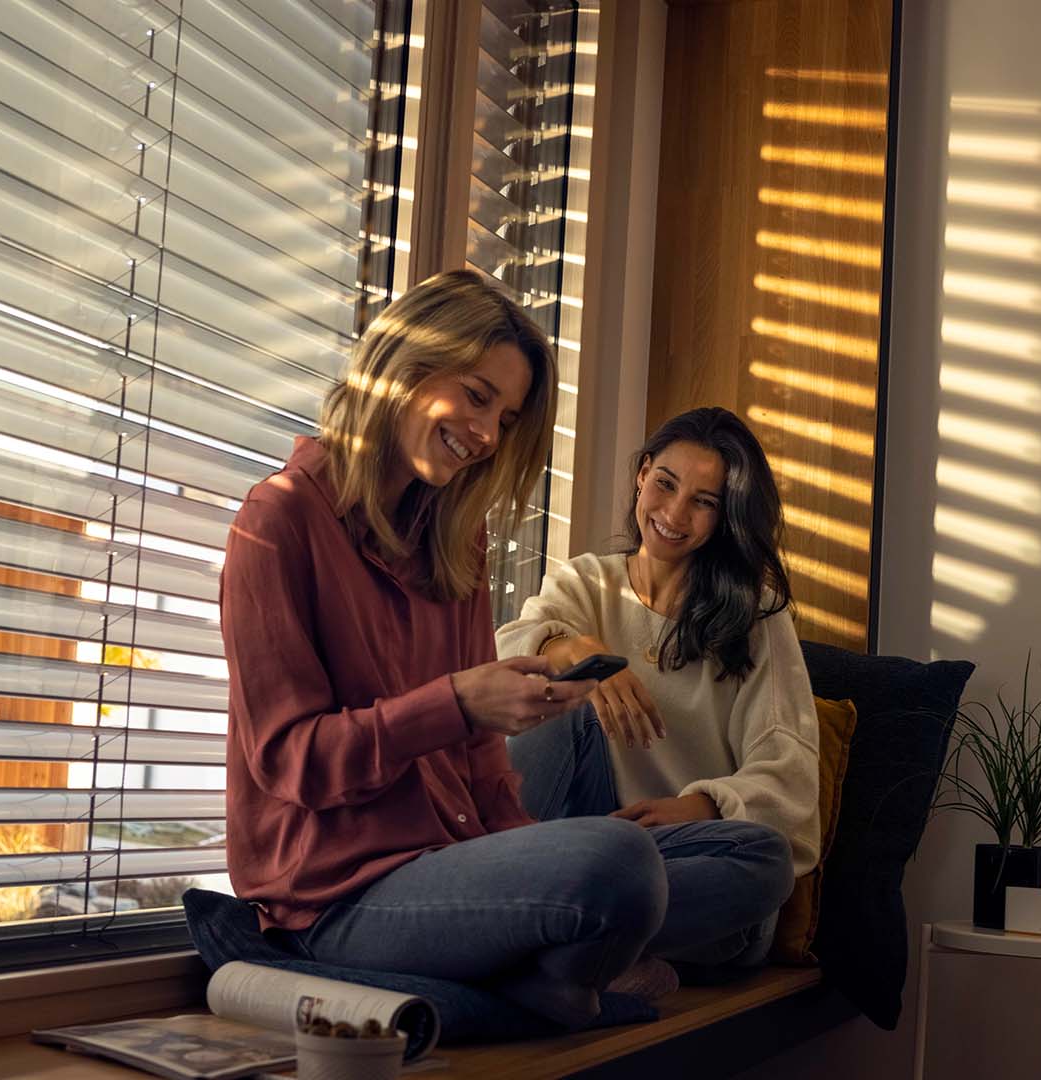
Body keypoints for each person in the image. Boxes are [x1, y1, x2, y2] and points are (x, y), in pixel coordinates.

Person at [220, 271, 754, 1026]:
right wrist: (457, 703)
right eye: (476, 396)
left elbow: (479, 766)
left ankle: (536, 965)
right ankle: (556, 971)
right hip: (333, 899)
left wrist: (532, 860)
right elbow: (288, 762)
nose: (487, 435)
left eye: (504, 418)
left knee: (750, 859)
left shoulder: (454, 538)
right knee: (623, 863)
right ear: (404, 364)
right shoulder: (277, 523)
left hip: (448, 864)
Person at [496, 407, 818, 970]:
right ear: (643, 474)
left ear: (725, 516)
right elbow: (507, 661)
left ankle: (535, 933)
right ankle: (576, 950)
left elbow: (789, 772)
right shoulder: (585, 583)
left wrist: (701, 807)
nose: (674, 513)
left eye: (703, 501)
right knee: (561, 697)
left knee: (764, 862)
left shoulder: (758, 619)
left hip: (681, 859)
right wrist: (580, 653)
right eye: (666, 484)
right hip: (584, 844)